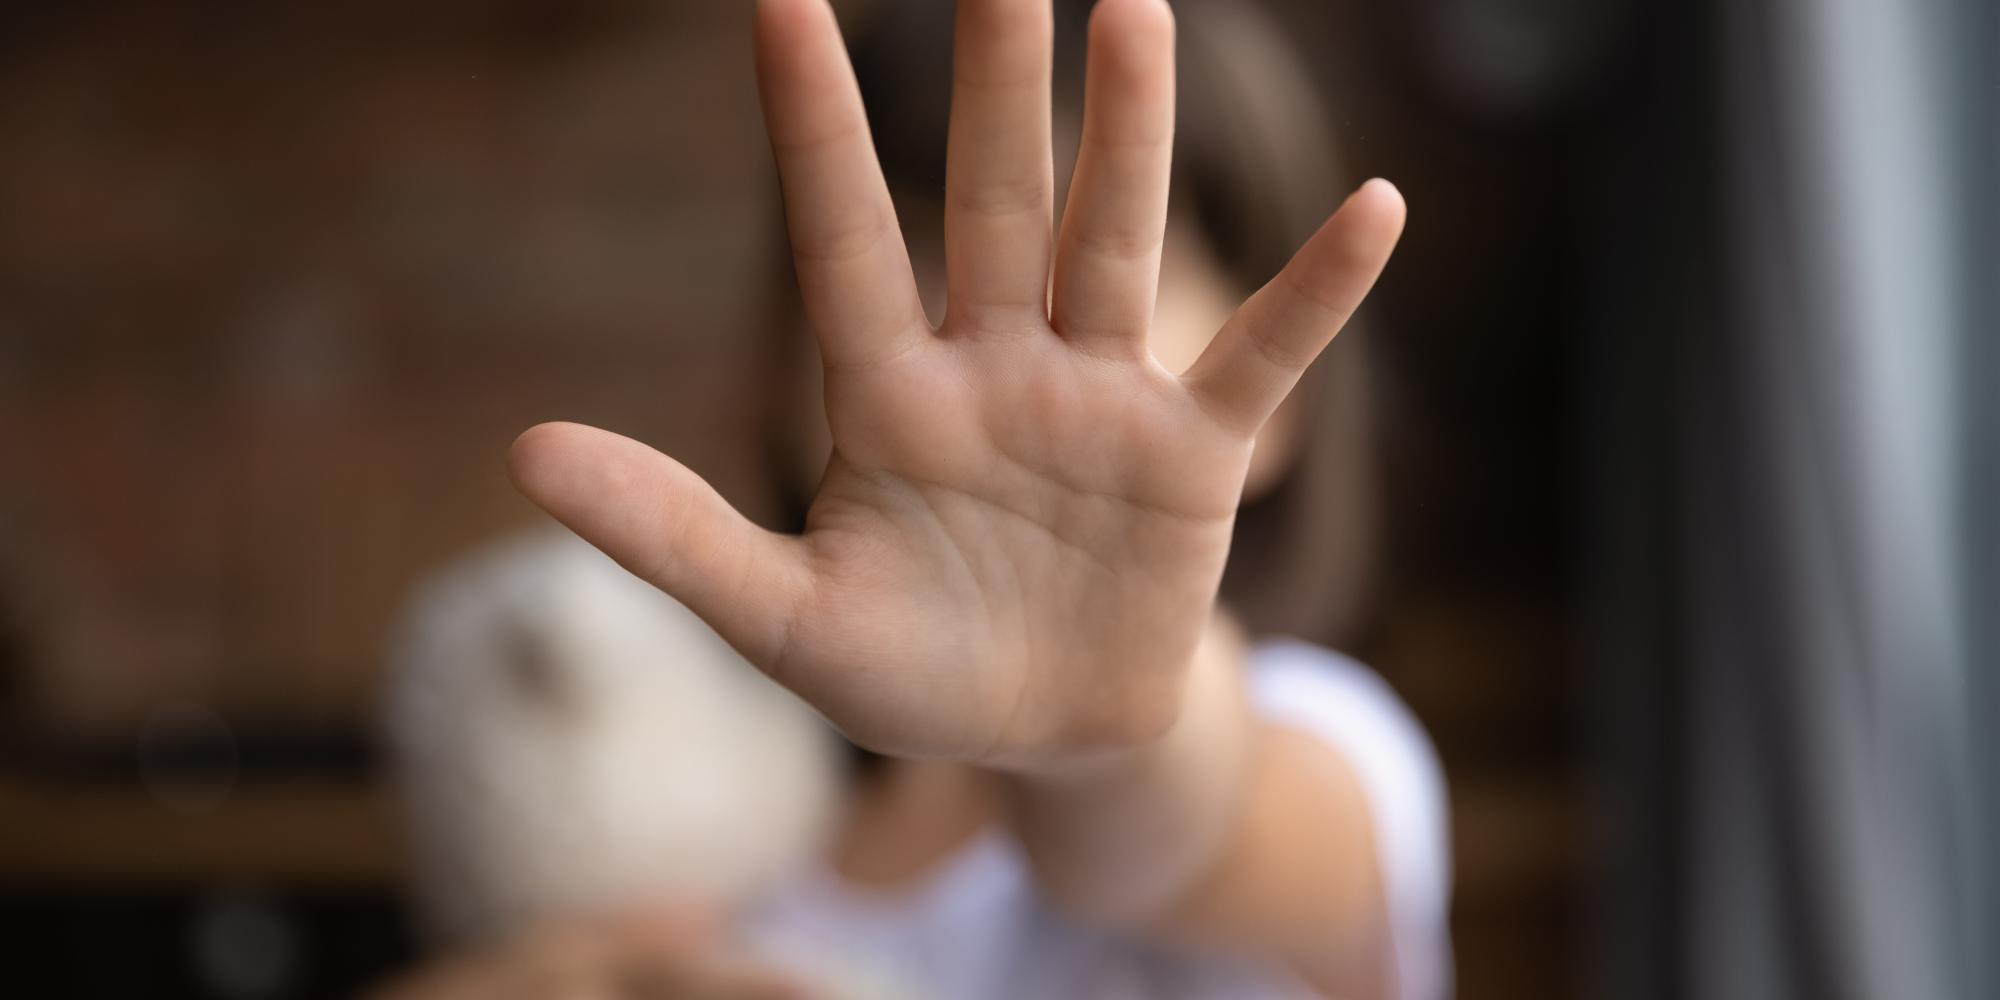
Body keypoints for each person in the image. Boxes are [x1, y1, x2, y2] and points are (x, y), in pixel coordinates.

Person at [394, 0, 1452, 996]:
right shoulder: (723, 821)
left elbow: (1185, 833)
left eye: (1083, 272)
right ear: (778, 355)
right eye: (913, 252)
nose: (985, 345)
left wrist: (1094, 732)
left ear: (1283, 397)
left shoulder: (1333, 745)